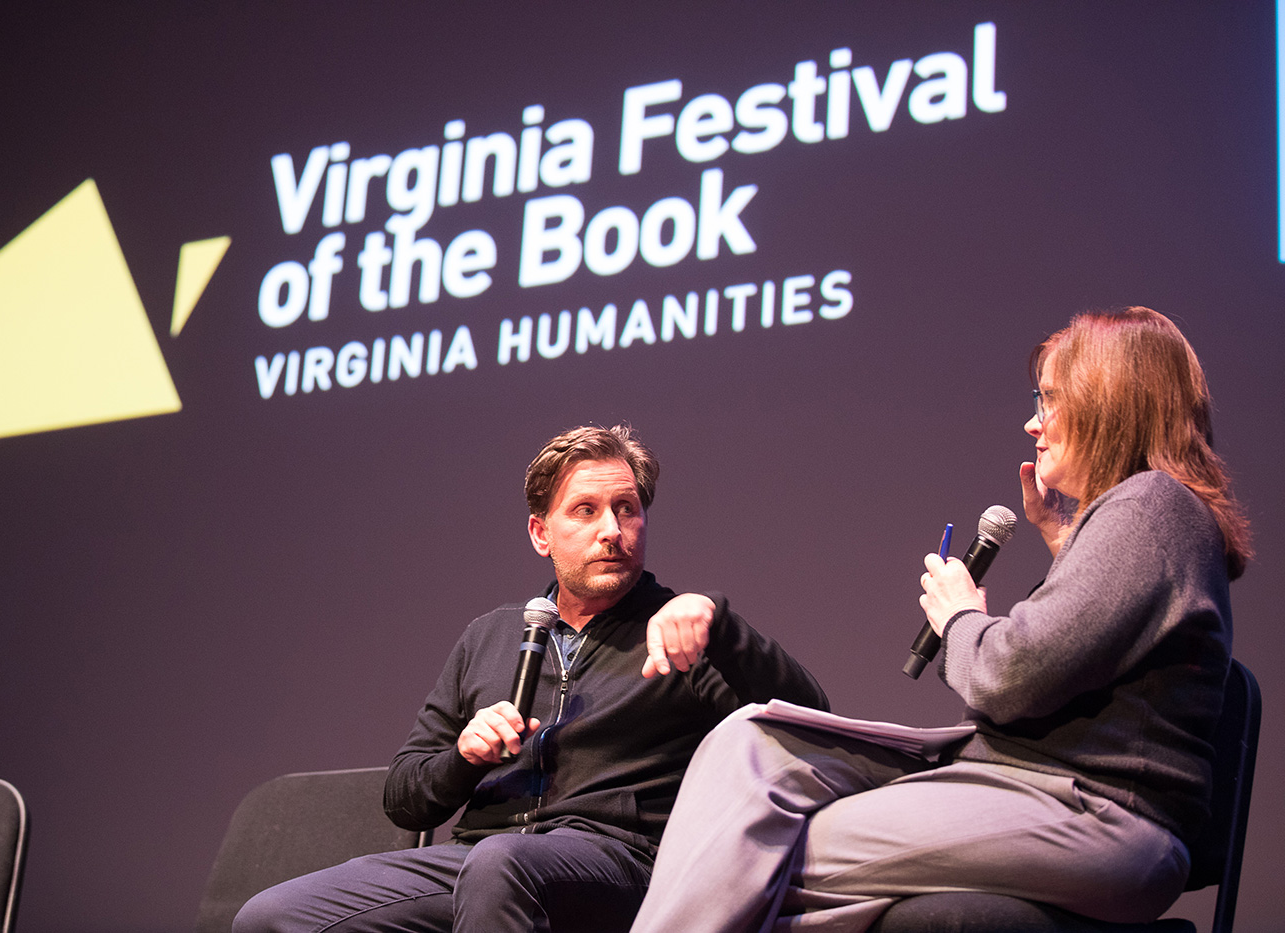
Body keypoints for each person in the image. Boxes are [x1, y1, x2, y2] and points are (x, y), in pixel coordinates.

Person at [628, 307, 1253, 933]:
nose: (1033, 421)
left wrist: (958, 617)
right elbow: (1091, 656)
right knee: (751, 742)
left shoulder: (1153, 505)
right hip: (1033, 792)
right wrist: (1066, 545)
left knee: (749, 852)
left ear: (1109, 401)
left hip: (1095, 814)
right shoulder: (1145, 516)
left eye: (1051, 399)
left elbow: (1009, 678)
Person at [233, 424, 828, 933]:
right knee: (272, 917)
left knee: (502, 865)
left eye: (627, 509)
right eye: (586, 511)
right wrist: (465, 756)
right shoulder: (491, 637)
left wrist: (719, 622)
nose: (612, 531)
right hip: (478, 858)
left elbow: (812, 721)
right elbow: (406, 797)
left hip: (620, 863)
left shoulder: (682, 630)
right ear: (541, 533)